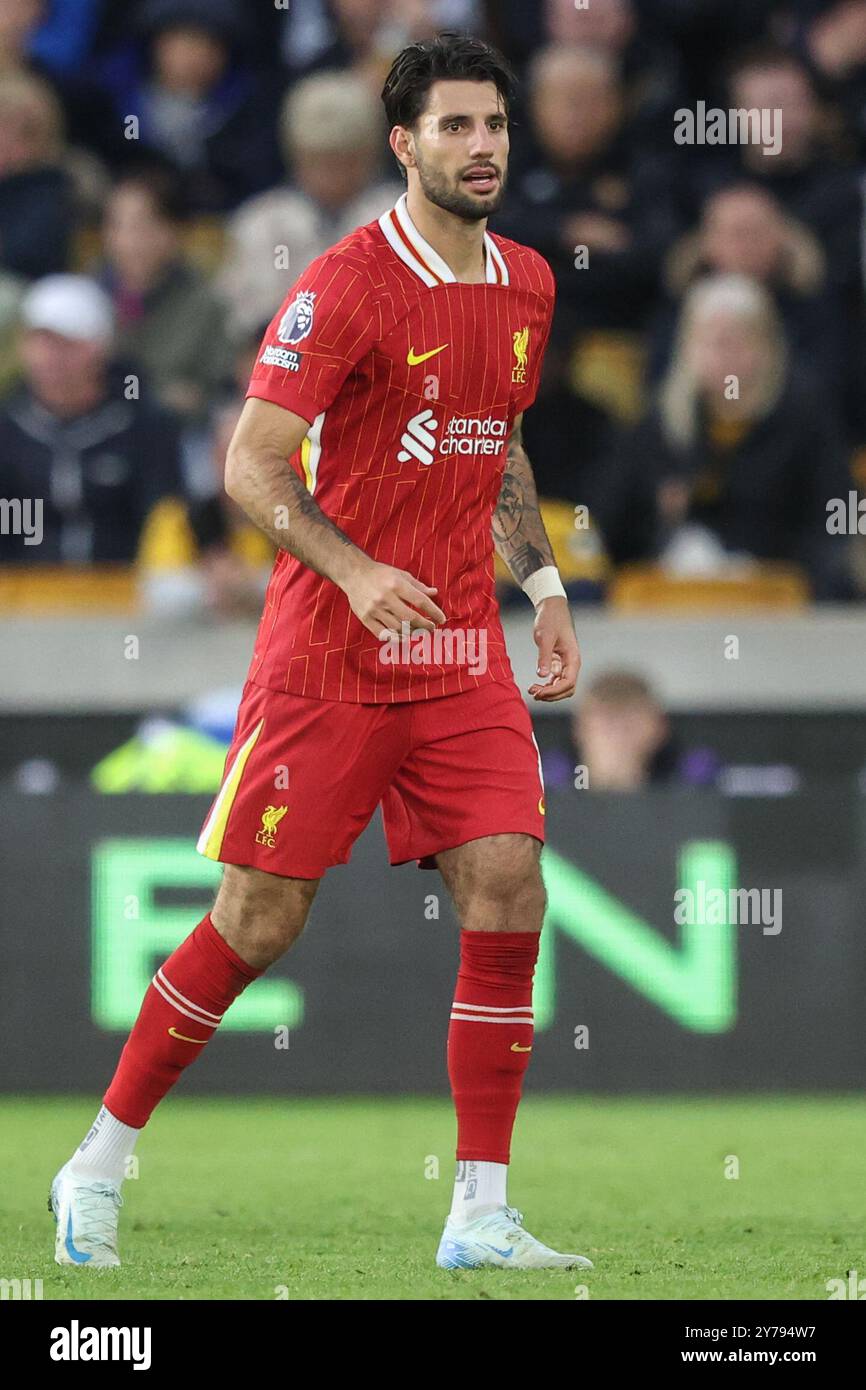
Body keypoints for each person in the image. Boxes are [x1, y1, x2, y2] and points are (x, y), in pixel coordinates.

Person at [50, 30, 591, 1275]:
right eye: (454, 127)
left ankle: (478, 1211)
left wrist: (544, 583)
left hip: (458, 649)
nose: (482, 146)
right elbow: (250, 461)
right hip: (329, 657)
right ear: (402, 147)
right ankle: (98, 1161)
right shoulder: (344, 285)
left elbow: (497, 439)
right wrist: (351, 569)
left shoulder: (525, 283)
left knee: (510, 881)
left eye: (493, 125)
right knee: (258, 918)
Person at [598, 273, 852, 597]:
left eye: (737, 342)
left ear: (767, 347)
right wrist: (660, 517)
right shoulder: (658, 423)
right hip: (672, 602)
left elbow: (834, 517)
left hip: (775, 597)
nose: (724, 356)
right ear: (688, 347)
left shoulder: (805, 417)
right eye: (712, 342)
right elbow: (610, 527)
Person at [0, 273, 183, 564]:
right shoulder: (9, 429)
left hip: (125, 594)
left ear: (99, 348)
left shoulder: (141, 426)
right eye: (38, 342)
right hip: (24, 597)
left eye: (64, 344)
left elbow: (164, 518)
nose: (48, 357)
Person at [219, 70, 401, 341]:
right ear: (296, 156)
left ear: (368, 156)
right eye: (316, 160)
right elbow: (242, 321)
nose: (328, 176)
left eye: (342, 160)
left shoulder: (405, 217)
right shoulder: (261, 221)